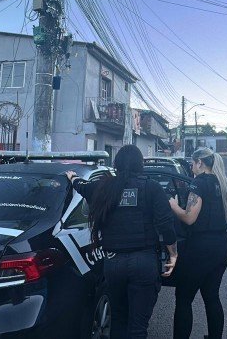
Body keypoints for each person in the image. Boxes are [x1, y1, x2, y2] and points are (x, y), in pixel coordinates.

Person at [65, 145, 178, 339]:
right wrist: (173, 253)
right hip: (144, 262)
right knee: (138, 327)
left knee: (118, 319)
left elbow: (83, 187)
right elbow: (166, 224)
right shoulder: (151, 187)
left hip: (113, 263)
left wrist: (73, 177)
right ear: (140, 164)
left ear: (116, 164)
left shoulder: (104, 187)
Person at [169, 148, 227, 339]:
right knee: (211, 296)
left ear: (200, 163)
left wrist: (174, 206)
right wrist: (218, 219)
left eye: (192, 164)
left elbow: (189, 218)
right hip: (222, 245)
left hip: (201, 248)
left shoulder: (198, 183)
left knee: (184, 298)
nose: (191, 167)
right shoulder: (221, 182)